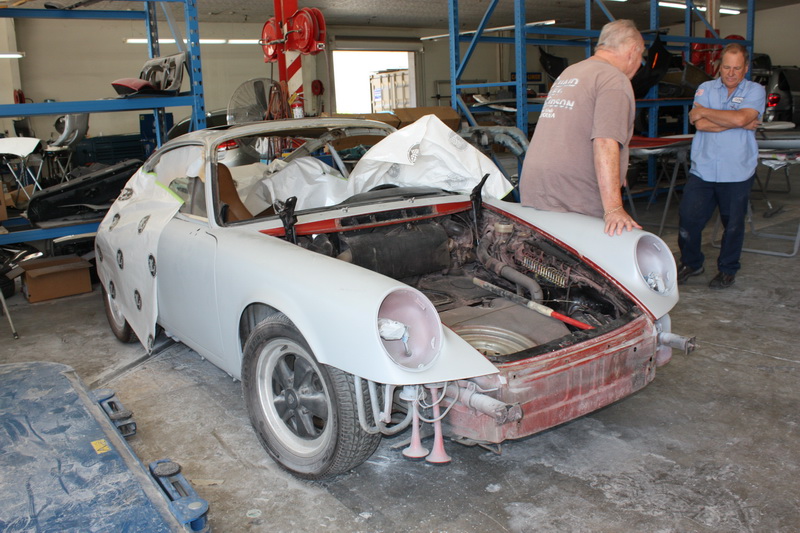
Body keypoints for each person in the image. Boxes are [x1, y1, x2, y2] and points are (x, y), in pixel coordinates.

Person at [520, 19, 644, 236]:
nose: (640, 62)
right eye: (641, 55)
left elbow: (573, 128)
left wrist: (617, 170)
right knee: (583, 264)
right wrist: (614, 208)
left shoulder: (571, 72)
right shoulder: (614, 79)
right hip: (572, 194)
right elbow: (605, 141)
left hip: (536, 186)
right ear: (633, 50)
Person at [677, 43, 765, 289]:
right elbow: (700, 124)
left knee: (733, 225)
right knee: (688, 218)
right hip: (703, 169)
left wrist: (709, 113)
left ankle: (727, 269)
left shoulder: (755, 90)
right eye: (726, 67)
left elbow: (734, 117)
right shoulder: (705, 88)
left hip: (737, 171)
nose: (731, 73)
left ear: (745, 68)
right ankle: (692, 263)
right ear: (719, 67)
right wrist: (738, 122)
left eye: (737, 68)